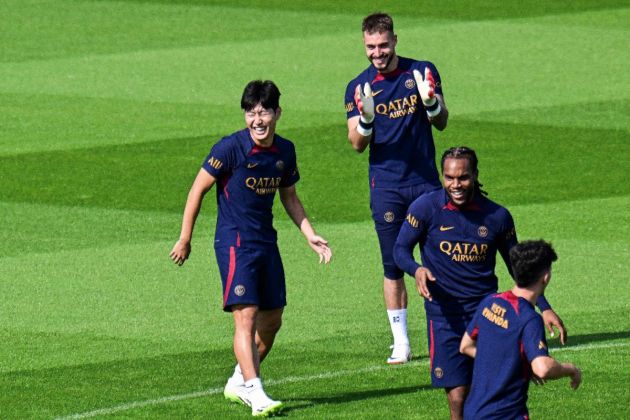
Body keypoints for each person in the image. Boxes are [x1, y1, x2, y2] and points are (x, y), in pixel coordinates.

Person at [169, 80, 332, 417]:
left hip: (266, 243)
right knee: (246, 318)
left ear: (277, 113)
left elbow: (289, 195)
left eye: (264, 112)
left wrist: (309, 234)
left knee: (272, 321)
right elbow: (196, 190)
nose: (258, 120)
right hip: (234, 243)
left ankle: (240, 379)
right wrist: (185, 238)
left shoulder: (285, 151)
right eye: (251, 113)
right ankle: (256, 394)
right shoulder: (229, 149)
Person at [393, 147, 567, 420]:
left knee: (494, 389)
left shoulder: (497, 217)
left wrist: (543, 307)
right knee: (458, 394)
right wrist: (416, 270)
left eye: (463, 177)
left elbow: (517, 266)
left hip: (486, 314)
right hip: (444, 315)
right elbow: (400, 250)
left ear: (475, 175)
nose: (456, 185)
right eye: (449, 177)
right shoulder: (425, 208)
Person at [344, 12, 449, 364]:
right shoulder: (357, 87)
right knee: (393, 264)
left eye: (383, 45)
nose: (378, 53)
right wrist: (367, 120)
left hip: (425, 184)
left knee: (441, 257)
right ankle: (401, 342)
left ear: (395, 40)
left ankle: (449, 330)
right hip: (386, 186)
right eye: (371, 47)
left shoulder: (421, 71)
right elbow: (356, 145)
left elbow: (442, 122)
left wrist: (430, 101)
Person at [460, 240, 581, 419]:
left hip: (473, 412)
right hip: (506, 415)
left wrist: (511, 366)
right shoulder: (529, 318)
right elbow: (542, 369)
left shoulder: (490, 301)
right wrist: (570, 369)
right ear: (545, 277)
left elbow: (465, 346)